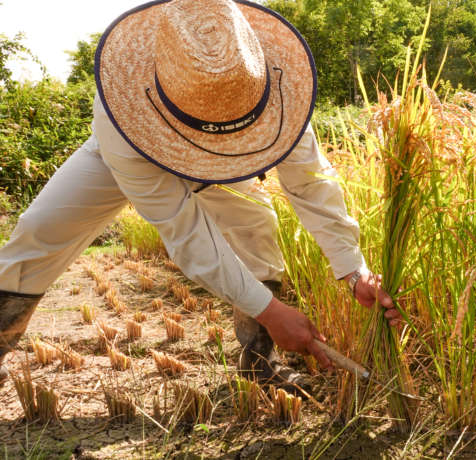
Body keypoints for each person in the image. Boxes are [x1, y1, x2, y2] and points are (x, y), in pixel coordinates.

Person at [0, 0, 401, 390]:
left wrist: (354, 271)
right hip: (133, 153)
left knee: (256, 224)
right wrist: (273, 312)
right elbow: (187, 234)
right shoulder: (120, 119)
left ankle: (260, 362)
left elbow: (312, 184)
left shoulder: (277, 94)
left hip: (232, 155)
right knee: (39, 230)